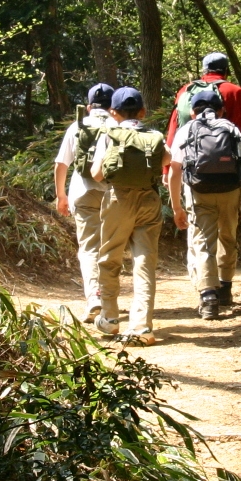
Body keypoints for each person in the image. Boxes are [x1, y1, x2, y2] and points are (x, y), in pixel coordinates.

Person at [90, 87, 169, 346]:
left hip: (118, 200)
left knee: (109, 258)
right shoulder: (154, 136)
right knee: (144, 262)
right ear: (143, 111)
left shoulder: (109, 135)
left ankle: (110, 318)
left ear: (113, 112)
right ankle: (142, 327)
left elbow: (96, 174)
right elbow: (168, 160)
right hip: (149, 199)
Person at [169, 86, 241, 319]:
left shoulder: (186, 130)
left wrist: (176, 206)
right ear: (221, 110)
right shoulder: (231, 128)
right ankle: (225, 288)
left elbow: (174, 171)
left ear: (192, 112)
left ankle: (208, 297)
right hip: (230, 191)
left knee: (203, 241)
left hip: (199, 192)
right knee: (228, 236)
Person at [53, 83, 116, 320]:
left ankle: (94, 297)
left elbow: (61, 164)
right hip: (114, 195)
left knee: (89, 247)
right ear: (112, 106)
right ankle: (109, 299)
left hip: (84, 193)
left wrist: (61, 196)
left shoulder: (77, 126)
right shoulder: (117, 125)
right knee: (111, 247)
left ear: (89, 106)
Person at [166, 52, 241, 144]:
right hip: (223, 148)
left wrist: (170, 148)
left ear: (204, 70)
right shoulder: (235, 91)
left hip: (189, 149)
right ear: (226, 71)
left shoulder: (186, 89)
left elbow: (174, 124)